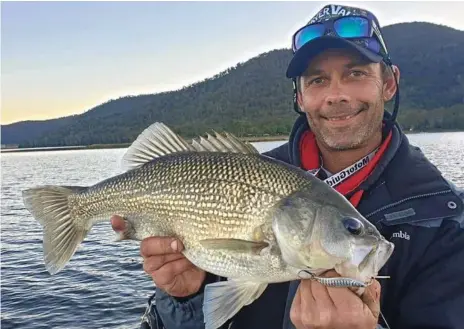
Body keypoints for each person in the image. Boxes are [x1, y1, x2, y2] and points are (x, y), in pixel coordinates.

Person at [111, 4, 464, 329]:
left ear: (388, 83)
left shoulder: (442, 220)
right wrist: (185, 297)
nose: (335, 94)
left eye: (355, 73)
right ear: (299, 97)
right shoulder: (259, 172)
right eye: (317, 80)